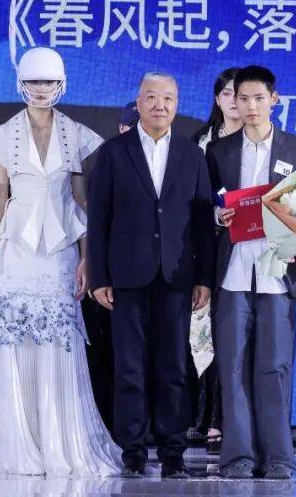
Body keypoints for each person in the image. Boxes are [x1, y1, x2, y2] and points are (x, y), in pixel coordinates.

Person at [0, 47, 120, 476]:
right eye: (33, 82)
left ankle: (63, 444)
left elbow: (81, 200)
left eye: (48, 82)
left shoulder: (76, 134)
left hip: (60, 252)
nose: (41, 89)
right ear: (22, 84)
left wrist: (88, 257)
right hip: (17, 252)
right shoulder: (3, 136)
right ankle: (24, 451)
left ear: (60, 85)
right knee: (19, 345)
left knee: (60, 345)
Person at [87, 72, 216, 478]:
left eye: (169, 99)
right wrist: (99, 276)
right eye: (152, 97)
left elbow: (202, 222)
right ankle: (133, 450)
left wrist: (204, 277)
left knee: (173, 367)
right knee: (129, 367)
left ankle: (174, 451)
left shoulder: (192, 155)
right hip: (127, 276)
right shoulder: (113, 153)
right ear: (139, 102)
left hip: (177, 277)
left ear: (177, 105)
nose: (160, 105)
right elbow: (99, 220)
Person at [206, 65, 296, 480]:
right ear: (232, 101)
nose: (250, 106)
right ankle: (237, 456)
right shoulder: (218, 151)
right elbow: (207, 206)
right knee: (232, 366)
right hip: (233, 272)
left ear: (274, 99)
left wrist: (295, 230)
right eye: (243, 98)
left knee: (275, 366)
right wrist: (218, 217)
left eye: (258, 98)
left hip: (277, 272)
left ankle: (279, 457)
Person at [191, 66, 240, 452]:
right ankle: (205, 418)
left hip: (249, 250)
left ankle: (229, 419)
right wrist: (212, 216)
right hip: (207, 249)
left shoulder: (263, 144)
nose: (235, 101)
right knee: (204, 337)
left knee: (237, 338)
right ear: (217, 99)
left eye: (242, 94)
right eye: (227, 93)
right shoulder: (199, 144)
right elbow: (188, 201)